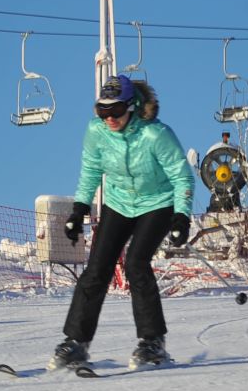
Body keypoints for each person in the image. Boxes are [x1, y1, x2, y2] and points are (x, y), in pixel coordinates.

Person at [53, 75, 195, 371]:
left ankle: (152, 342)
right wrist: (79, 209)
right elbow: (91, 169)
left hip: (157, 203)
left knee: (136, 264)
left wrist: (181, 216)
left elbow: (182, 176)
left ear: (132, 106)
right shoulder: (96, 132)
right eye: (102, 111)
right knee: (96, 269)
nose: (109, 118)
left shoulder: (155, 135)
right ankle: (76, 343)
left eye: (116, 111)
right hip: (118, 202)